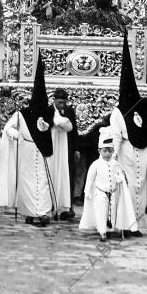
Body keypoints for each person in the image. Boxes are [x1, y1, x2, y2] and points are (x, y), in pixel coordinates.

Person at [111, 33, 147, 235]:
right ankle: (123, 223)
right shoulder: (117, 111)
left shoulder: (144, 106)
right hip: (125, 152)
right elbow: (116, 136)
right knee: (125, 187)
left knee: (140, 187)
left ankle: (138, 224)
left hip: (142, 152)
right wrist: (113, 158)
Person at [0, 54, 54, 227]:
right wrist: (18, 136)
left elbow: (62, 124)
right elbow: (8, 128)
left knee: (43, 181)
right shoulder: (22, 114)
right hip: (27, 150)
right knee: (27, 182)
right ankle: (29, 213)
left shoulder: (49, 112)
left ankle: (44, 213)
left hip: (44, 151)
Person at [79, 126, 137, 242]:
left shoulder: (116, 164)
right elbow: (90, 179)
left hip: (113, 193)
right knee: (101, 212)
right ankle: (102, 232)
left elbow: (120, 175)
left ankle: (110, 230)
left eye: (110, 151)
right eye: (105, 151)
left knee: (112, 212)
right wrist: (87, 191)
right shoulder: (95, 164)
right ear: (99, 151)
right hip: (100, 193)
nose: (107, 154)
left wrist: (120, 178)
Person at [49, 88, 79, 221]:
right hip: (52, 146)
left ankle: (68, 206)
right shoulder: (49, 111)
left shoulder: (69, 111)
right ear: (54, 100)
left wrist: (76, 149)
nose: (62, 105)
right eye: (59, 102)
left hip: (67, 147)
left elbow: (74, 131)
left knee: (68, 175)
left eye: (64, 102)